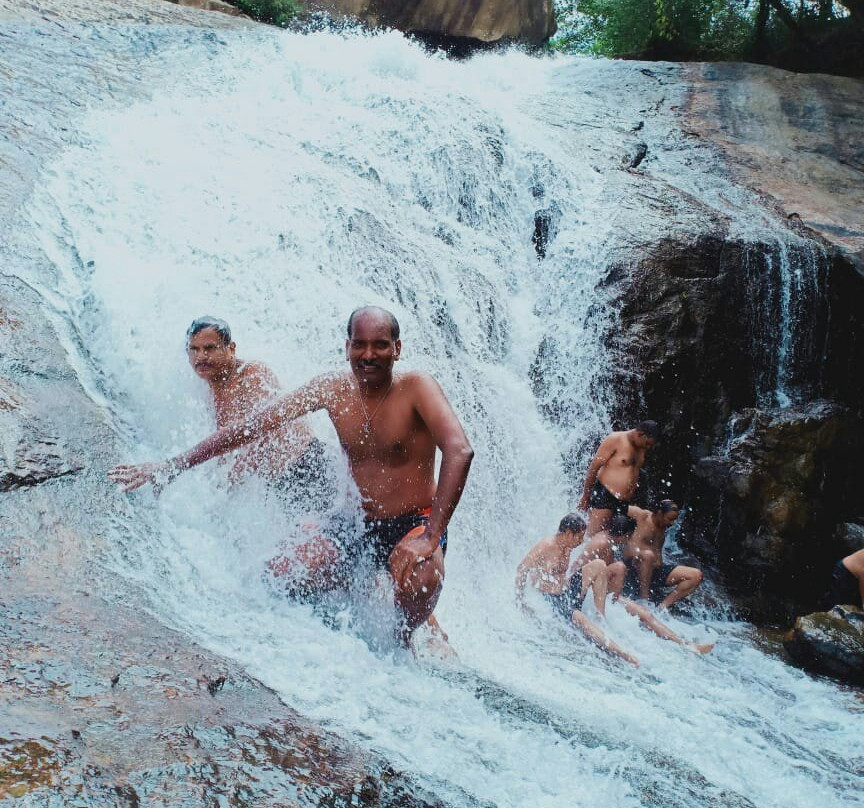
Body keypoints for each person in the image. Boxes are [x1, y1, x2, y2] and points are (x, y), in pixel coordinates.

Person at [109, 306, 474, 643]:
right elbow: (249, 428)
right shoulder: (330, 389)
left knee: (422, 580)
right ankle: (349, 597)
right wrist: (172, 466)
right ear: (346, 347)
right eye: (359, 345)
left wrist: (431, 535)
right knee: (281, 575)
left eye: (380, 346)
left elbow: (460, 450)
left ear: (397, 348)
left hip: (413, 521)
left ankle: (403, 640)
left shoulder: (417, 387)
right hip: (354, 521)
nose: (368, 355)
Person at [183, 316, 335, 511]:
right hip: (277, 483)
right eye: (194, 349)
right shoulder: (205, 388)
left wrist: (225, 485)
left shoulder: (251, 374)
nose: (201, 356)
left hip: (307, 468)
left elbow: (262, 434)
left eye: (209, 348)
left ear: (231, 348)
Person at [516, 513, 640, 666]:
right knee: (579, 617)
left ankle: (600, 619)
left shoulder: (567, 546)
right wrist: (520, 601)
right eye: (579, 537)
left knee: (599, 564)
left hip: (566, 591)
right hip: (551, 599)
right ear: (568, 533)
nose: (581, 541)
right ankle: (622, 654)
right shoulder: (546, 545)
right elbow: (522, 568)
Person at [577, 421, 660, 536]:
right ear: (640, 434)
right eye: (647, 443)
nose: (648, 447)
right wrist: (585, 496)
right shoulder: (616, 439)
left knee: (612, 541)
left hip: (624, 502)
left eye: (650, 445)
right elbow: (594, 467)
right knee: (593, 537)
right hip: (605, 495)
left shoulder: (641, 447)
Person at [622, 500, 704, 608]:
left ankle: (662, 608)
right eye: (669, 519)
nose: (672, 523)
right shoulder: (643, 516)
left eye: (674, 520)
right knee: (648, 555)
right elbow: (616, 506)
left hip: (654, 572)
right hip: (633, 567)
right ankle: (644, 602)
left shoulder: (663, 528)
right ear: (660, 513)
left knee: (696, 575)